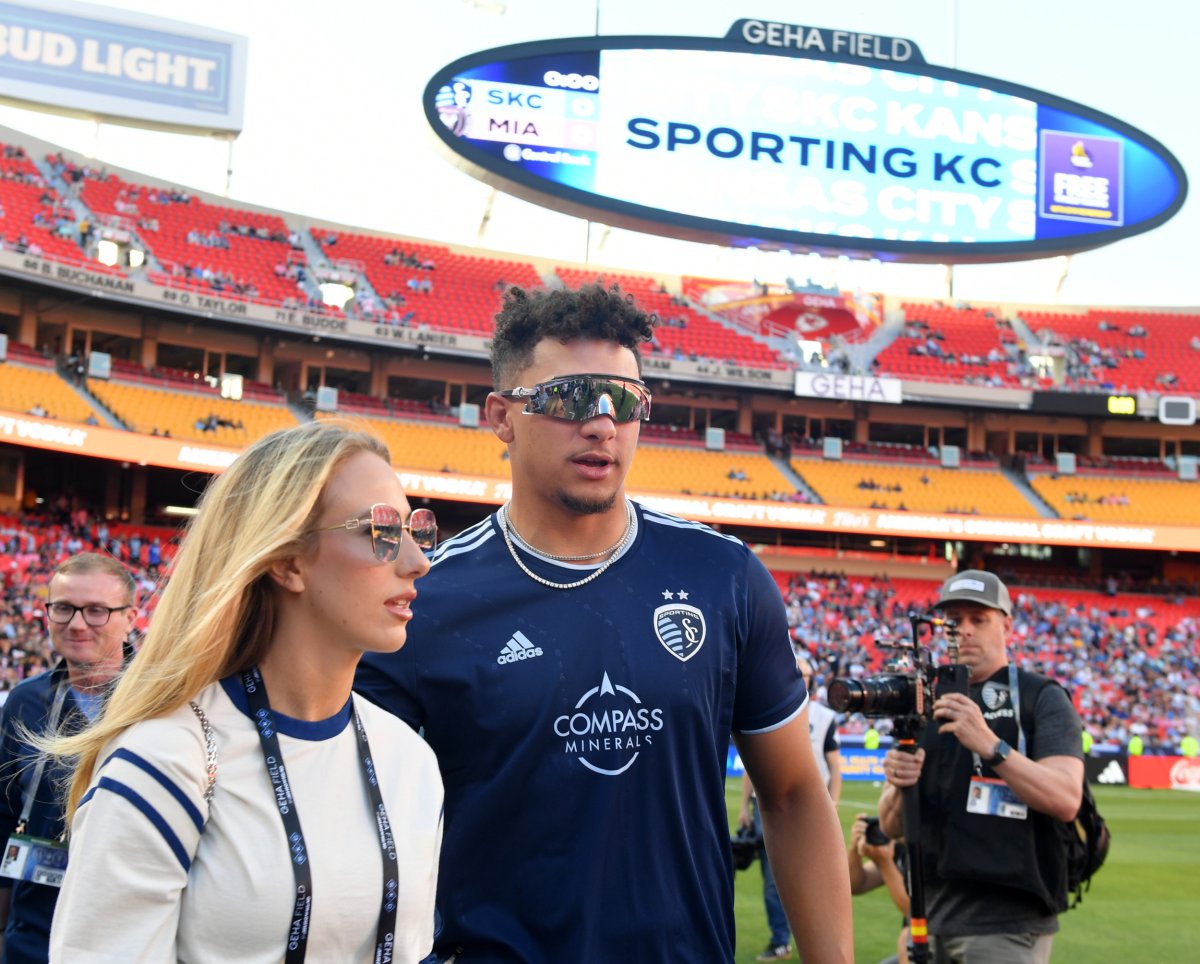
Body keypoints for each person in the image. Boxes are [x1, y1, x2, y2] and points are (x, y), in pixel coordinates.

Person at [357, 284, 853, 963]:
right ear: (501, 416)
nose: (601, 425)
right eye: (568, 399)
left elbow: (794, 795)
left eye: (624, 402)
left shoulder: (724, 577)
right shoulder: (423, 598)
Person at [45, 422, 444, 962]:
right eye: (381, 531)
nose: (417, 561)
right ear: (286, 560)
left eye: (416, 530)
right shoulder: (165, 763)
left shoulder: (410, 761)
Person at [880, 570, 1084, 963]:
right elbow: (892, 827)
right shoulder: (924, 701)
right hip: (929, 920)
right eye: (954, 621)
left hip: (1006, 926)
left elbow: (1065, 797)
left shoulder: (1041, 697)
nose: (965, 631)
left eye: (979, 619)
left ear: (1006, 625)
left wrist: (990, 744)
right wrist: (896, 785)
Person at [0, 553, 136, 964]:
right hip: (32, 937)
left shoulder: (165, 701)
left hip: (125, 938)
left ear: (129, 617)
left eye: (96, 611)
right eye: (63, 608)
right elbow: (3, 817)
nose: (76, 623)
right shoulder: (26, 701)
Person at [739, 654, 843, 959]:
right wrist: (744, 806)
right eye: (799, 673)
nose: (803, 678)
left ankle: (814, 944)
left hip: (810, 805)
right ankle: (781, 939)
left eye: (808, 675)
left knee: (819, 875)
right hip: (765, 802)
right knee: (771, 877)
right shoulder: (764, 708)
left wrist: (832, 801)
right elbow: (750, 765)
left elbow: (835, 765)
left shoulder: (823, 716)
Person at [847, 809, 910, 964]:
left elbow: (915, 913)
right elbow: (856, 884)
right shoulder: (899, 848)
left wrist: (885, 863)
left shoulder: (934, 853)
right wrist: (855, 850)